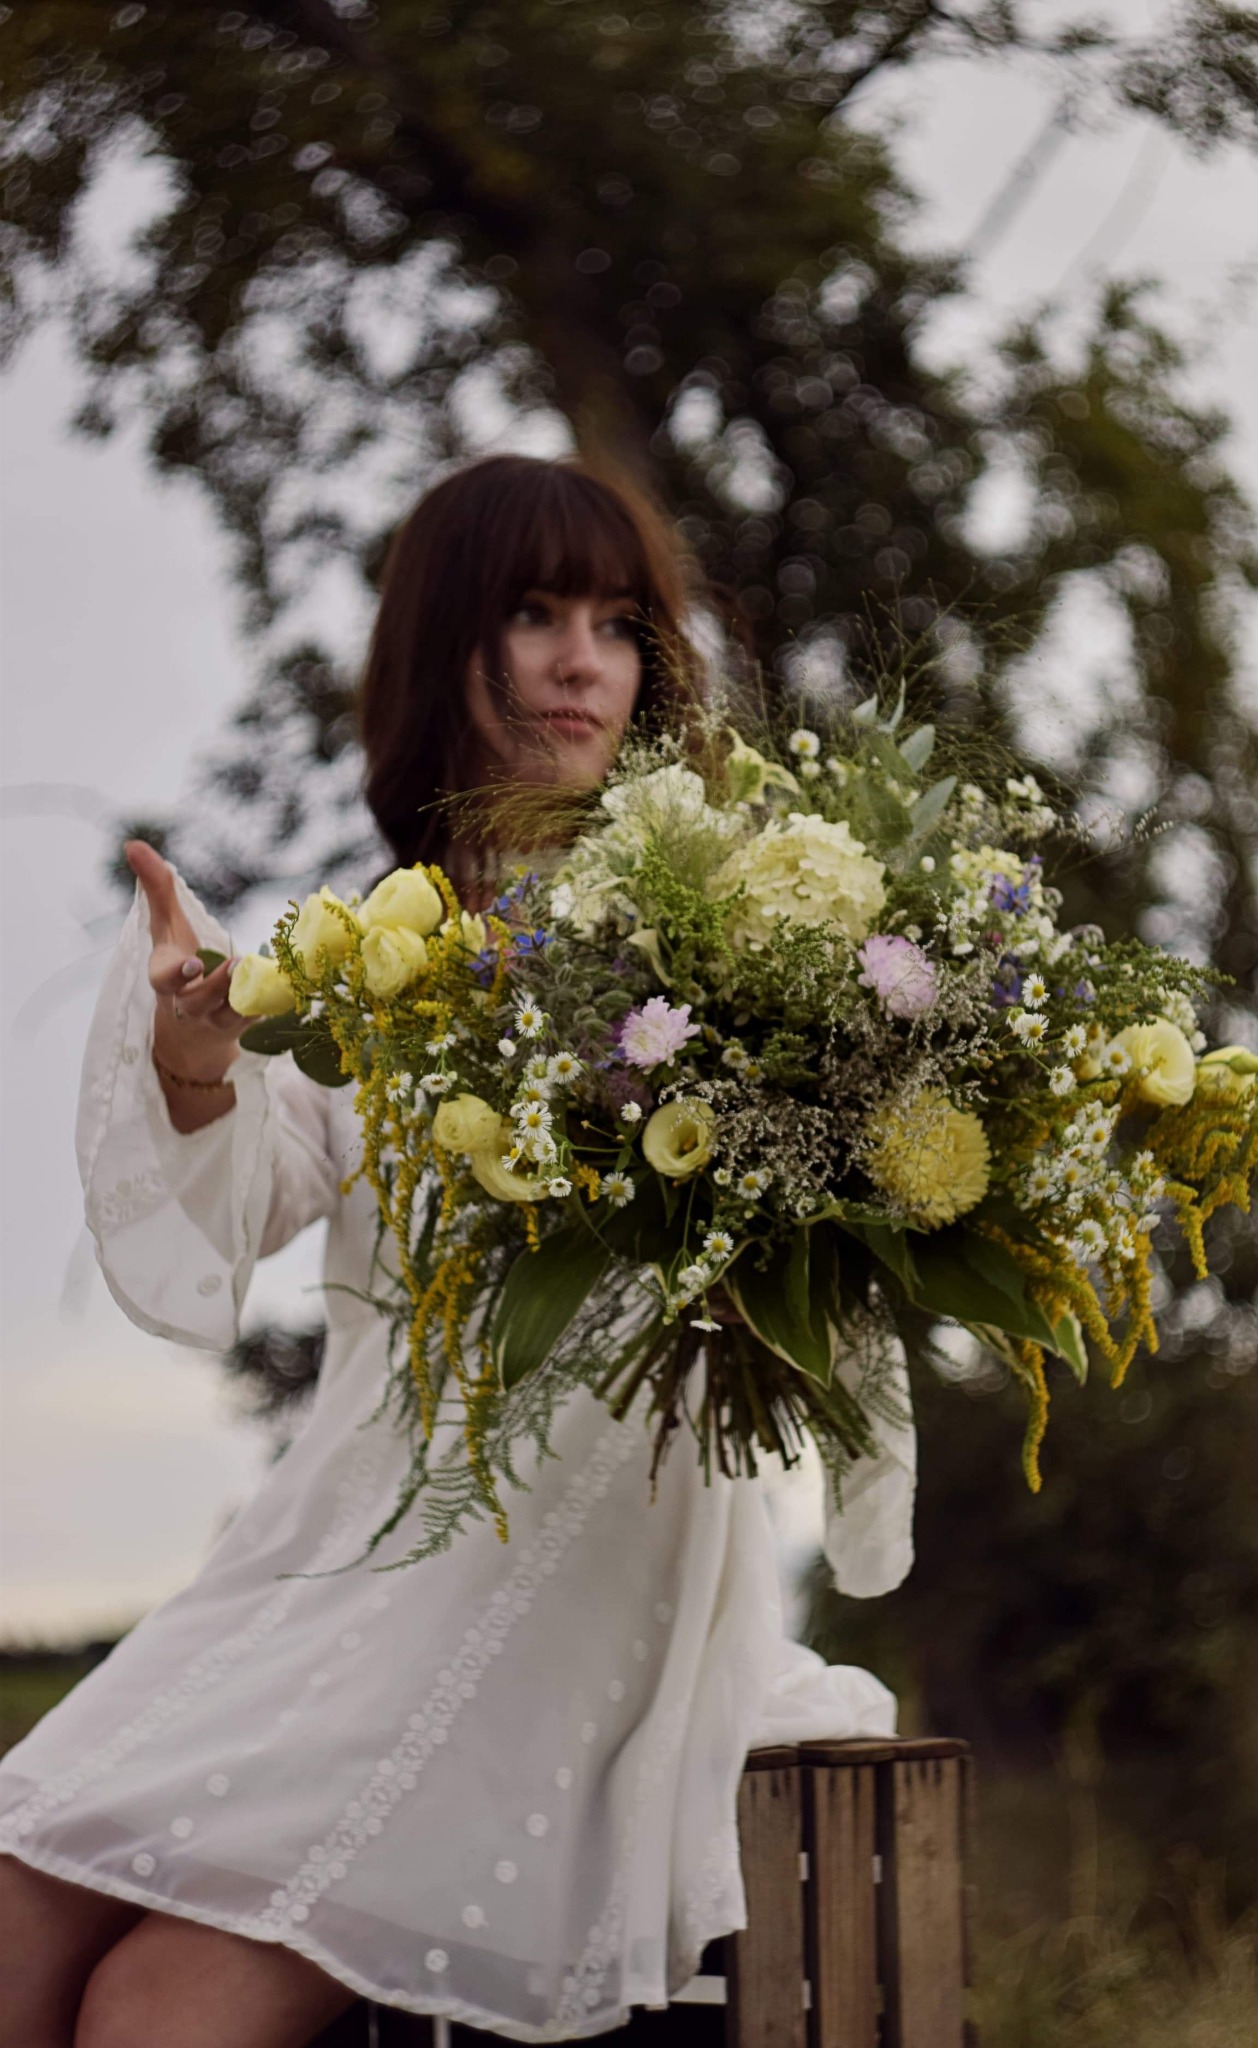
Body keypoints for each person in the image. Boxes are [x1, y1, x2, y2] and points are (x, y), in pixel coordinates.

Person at [0, 455, 916, 2046]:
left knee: (157, 2004)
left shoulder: (730, 929)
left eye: (618, 624)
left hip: (574, 1548)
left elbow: (822, 1252)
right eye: (534, 613)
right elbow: (237, 1213)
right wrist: (198, 1062)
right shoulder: (372, 945)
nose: (583, 662)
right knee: (14, 1908)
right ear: (445, 644)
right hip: (336, 1540)